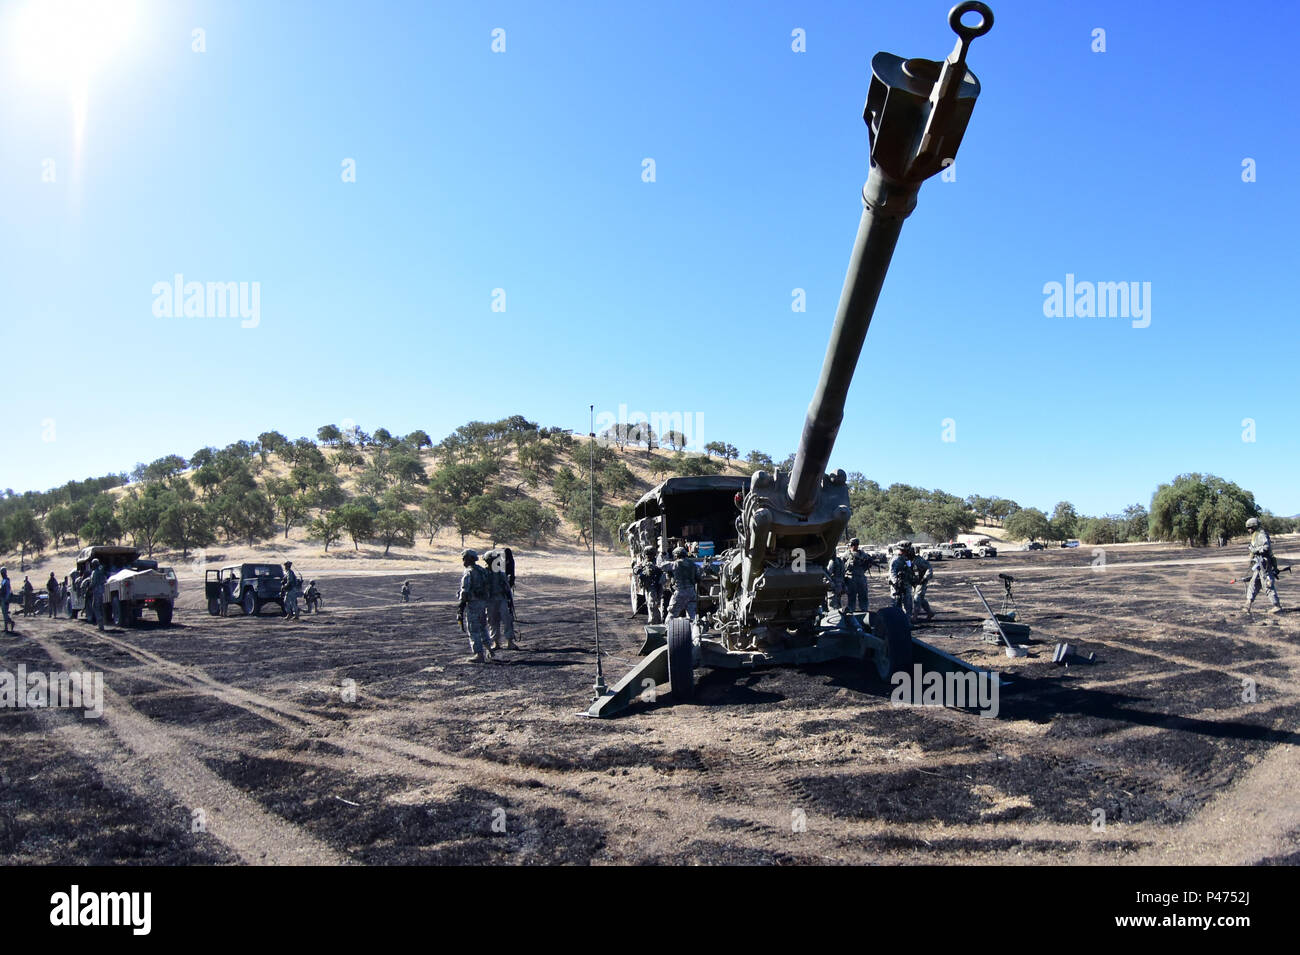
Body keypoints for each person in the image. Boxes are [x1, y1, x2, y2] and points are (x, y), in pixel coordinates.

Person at [456, 549, 492, 662]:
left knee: (473, 629)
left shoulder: (469, 572)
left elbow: (465, 591)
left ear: (469, 559)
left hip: (473, 604)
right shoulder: (482, 570)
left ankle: (479, 655)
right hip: (483, 603)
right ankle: (489, 650)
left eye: (464, 558)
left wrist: (460, 607)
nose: (463, 561)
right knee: (482, 627)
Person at [1244, 517, 1282, 614]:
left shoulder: (1261, 534)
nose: (1249, 530)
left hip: (1264, 564)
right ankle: (1248, 604)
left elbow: (1266, 547)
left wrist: (1255, 550)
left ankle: (1276, 606)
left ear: (1255, 527)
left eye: (1250, 528)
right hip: (1258, 564)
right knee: (1253, 584)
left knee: (1267, 584)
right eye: (1248, 528)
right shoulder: (1255, 536)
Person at [483, 551, 519, 651]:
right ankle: (496, 642)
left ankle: (510, 642)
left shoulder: (500, 572)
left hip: (501, 598)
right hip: (490, 600)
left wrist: (509, 600)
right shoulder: (484, 573)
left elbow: (506, 587)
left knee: (507, 619)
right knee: (492, 621)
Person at [667, 546, 700, 622]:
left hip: (680, 593)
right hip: (691, 592)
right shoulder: (693, 564)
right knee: (692, 616)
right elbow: (698, 578)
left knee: (672, 614)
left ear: (676, 555)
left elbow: (661, 566)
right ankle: (695, 631)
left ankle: (667, 630)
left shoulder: (674, 564)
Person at [637, 544, 665, 624]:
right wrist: (638, 569)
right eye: (647, 554)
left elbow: (662, 568)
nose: (648, 556)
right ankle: (655, 620)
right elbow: (637, 568)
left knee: (652, 603)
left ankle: (654, 622)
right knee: (650, 604)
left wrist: (655, 568)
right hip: (647, 586)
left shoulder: (657, 562)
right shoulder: (644, 562)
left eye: (650, 554)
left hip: (655, 585)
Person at [888, 541, 916, 619]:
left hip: (906, 583)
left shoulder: (907, 558)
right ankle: (897, 620)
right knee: (896, 603)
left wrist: (912, 578)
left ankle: (907, 620)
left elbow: (910, 569)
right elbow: (892, 572)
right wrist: (896, 583)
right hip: (897, 585)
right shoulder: (896, 559)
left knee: (908, 603)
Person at [845, 538, 871, 613]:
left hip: (861, 577)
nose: (855, 546)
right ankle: (851, 611)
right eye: (853, 545)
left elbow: (867, 565)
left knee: (863, 595)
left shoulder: (863, 554)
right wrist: (850, 563)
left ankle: (864, 610)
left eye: (856, 545)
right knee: (851, 596)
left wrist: (867, 564)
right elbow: (843, 567)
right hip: (851, 578)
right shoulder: (847, 554)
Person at [911, 551, 935, 622]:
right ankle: (929, 613)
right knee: (921, 598)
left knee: (917, 598)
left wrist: (924, 578)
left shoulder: (920, 560)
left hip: (921, 581)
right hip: (914, 582)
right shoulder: (907, 560)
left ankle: (914, 617)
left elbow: (929, 568)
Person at [87, 558, 107, 631]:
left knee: (95, 607)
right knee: (100, 607)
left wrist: (89, 588)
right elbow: (104, 580)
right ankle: (102, 624)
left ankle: (100, 625)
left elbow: (94, 582)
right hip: (101, 591)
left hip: (96, 591)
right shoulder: (101, 572)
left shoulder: (95, 572)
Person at [0, 568, 13, 633]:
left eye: (2, 573)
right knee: (4, 613)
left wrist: (6, 599)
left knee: (5, 613)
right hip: (2, 598)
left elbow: (8, 591)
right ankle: (9, 624)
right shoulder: (3, 580)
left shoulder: (6, 581)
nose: (1, 574)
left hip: (5, 599)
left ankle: (7, 627)